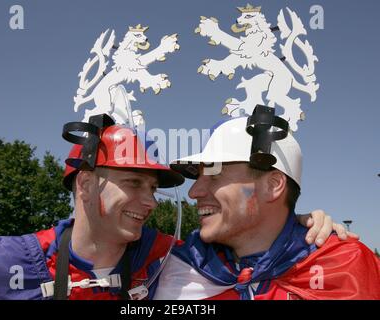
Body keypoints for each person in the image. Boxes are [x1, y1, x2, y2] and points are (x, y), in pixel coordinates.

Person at [0, 119, 355, 300]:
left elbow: (256, 243)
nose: (149, 202)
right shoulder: (4, 265)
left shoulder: (167, 257)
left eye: (152, 188)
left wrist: (302, 227)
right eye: (133, 184)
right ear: (84, 183)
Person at [154, 114, 380, 300]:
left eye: (215, 177)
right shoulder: (171, 263)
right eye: (198, 177)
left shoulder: (345, 265)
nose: (194, 192)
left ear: (273, 186)